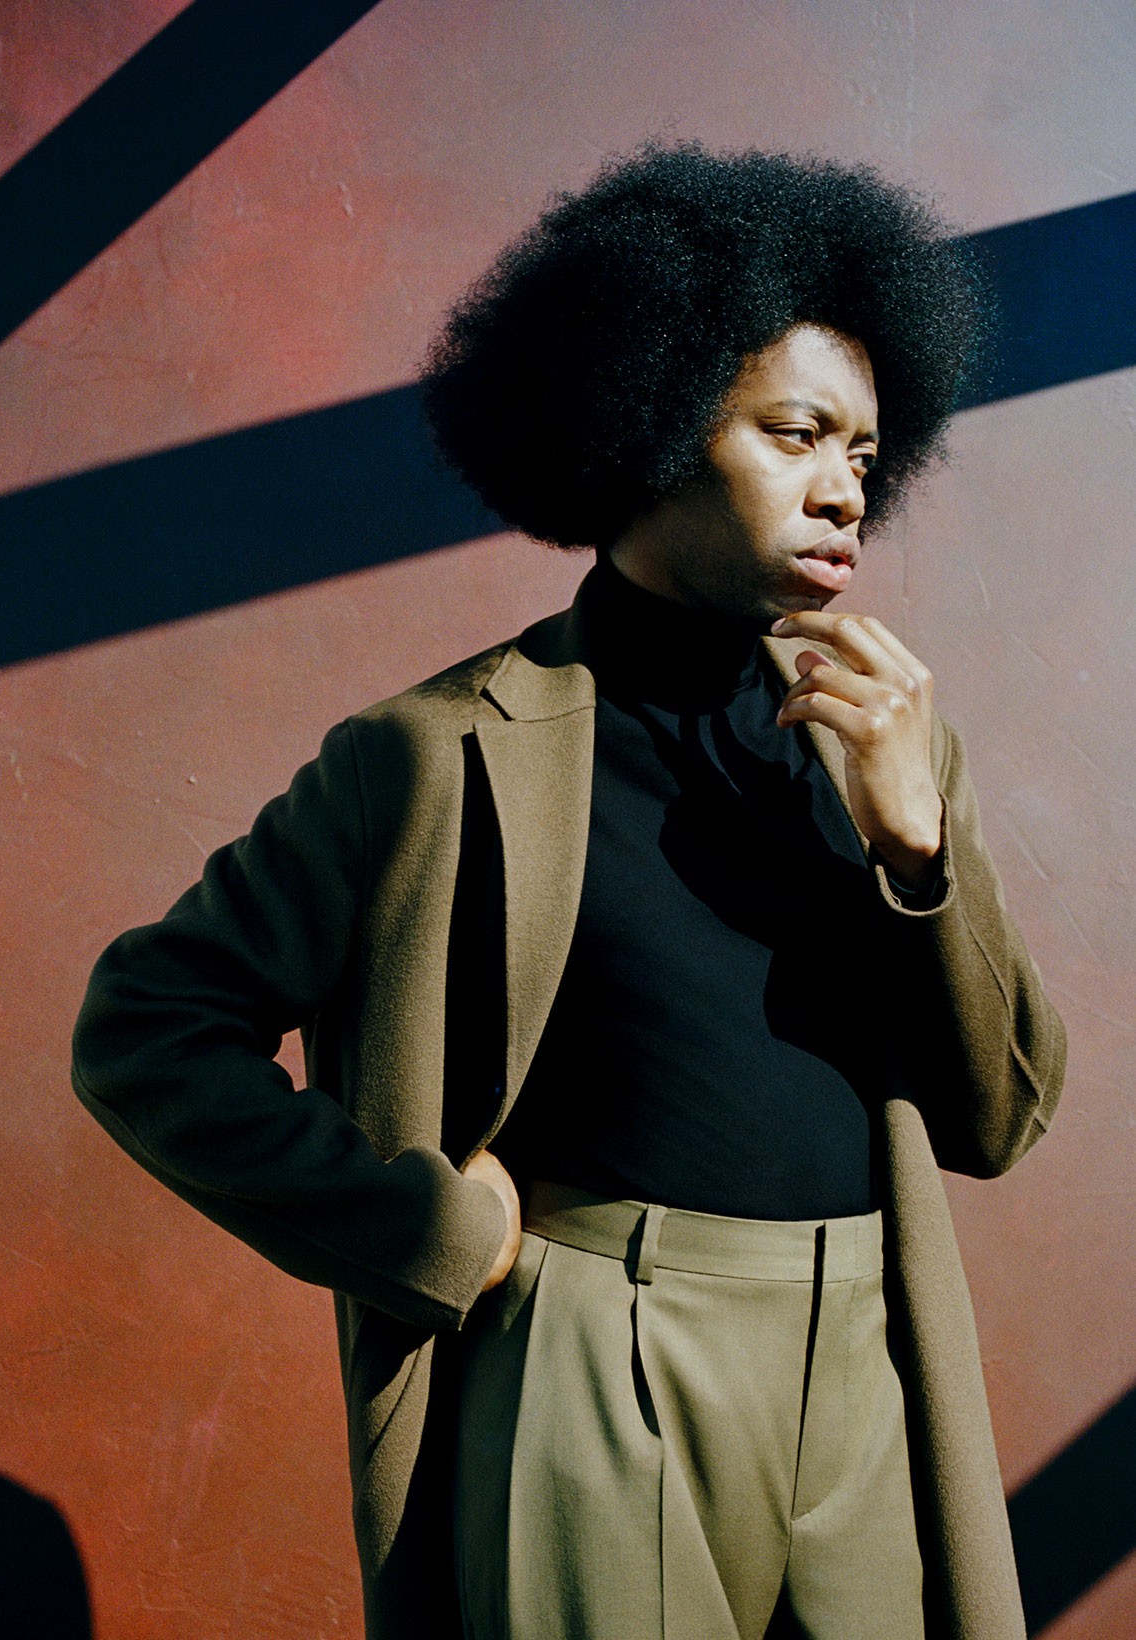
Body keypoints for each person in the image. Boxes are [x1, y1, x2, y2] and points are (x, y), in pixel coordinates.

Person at [72, 144, 1066, 1640]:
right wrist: (422, 1234)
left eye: (865, 453)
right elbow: (145, 1027)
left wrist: (920, 855)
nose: (842, 488)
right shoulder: (431, 754)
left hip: (876, 1352)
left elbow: (997, 1117)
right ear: (647, 418)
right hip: (602, 1358)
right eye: (796, 433)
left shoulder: (884, 743)